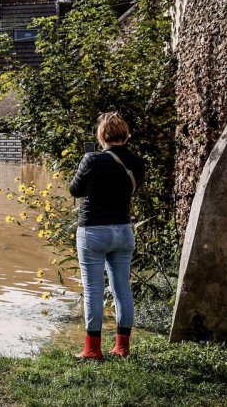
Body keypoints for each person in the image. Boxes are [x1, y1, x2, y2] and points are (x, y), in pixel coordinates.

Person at [68, 112, 144, 360]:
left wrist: (86, 164)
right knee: (122, 289)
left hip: (93, 232)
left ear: (101, 135)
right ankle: (122, 347)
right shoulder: (136, 162)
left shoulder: (92, 159)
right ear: (126, 135)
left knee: (93, 290)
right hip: (123, 231)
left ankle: (92, 349)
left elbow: (75, 190)